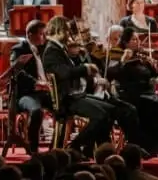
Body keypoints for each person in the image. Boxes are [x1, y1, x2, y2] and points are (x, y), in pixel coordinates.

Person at [40, 17, 116, 155]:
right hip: (66, 100)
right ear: (59, 30)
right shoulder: (52, 50)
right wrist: (85, 68)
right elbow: (63, 73)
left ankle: (98, 150)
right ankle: (75, 147)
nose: (69, 35)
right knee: (101, 116)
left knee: (110, 111)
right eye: (67, 31)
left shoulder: (59, 48)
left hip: (75, 95)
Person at [8, 20, 53, 154]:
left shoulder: (44, 49)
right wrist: (37, 83)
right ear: (29, 34)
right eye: (41, 34)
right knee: (36, 111)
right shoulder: (18, 49)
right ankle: (33, 148)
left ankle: (57, 145)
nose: (44, 37)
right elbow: (18, 72)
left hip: (45, 92)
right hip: (27, 94)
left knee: (65, 106)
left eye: (44, 34)